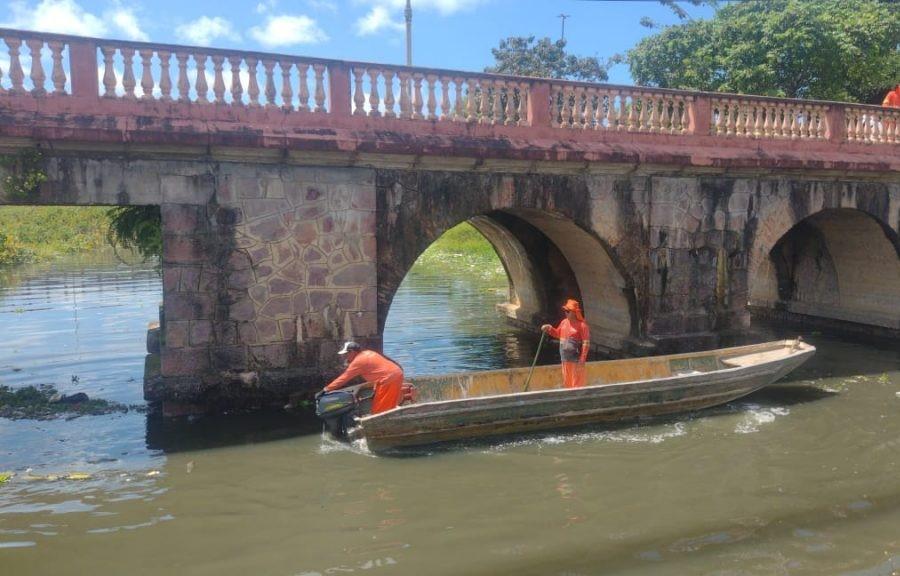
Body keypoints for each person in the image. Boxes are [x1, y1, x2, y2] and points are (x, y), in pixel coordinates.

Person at [323, 341, 404, 415]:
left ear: (352, 352)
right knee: (389, 404)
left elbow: (343, 378)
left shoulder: (358, 362)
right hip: (397, 373)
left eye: (346, 354)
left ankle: (380, 426)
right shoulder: (368, 352)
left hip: (388, 379)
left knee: (379, 411)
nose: (345, 357)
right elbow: (379, 370)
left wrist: (327, 389)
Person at [541, 299, 591, 389]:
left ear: (575, 312)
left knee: (577, 384)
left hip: (576, 361)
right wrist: (549, 329)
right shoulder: (564, 322)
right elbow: (557, 334)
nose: (565, 313)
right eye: (565, 311)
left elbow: (586, 344)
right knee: (567, 383)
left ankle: (577, 400)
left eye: (568, 311)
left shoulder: (582, 326)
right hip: (565, 359)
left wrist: (582, 360)